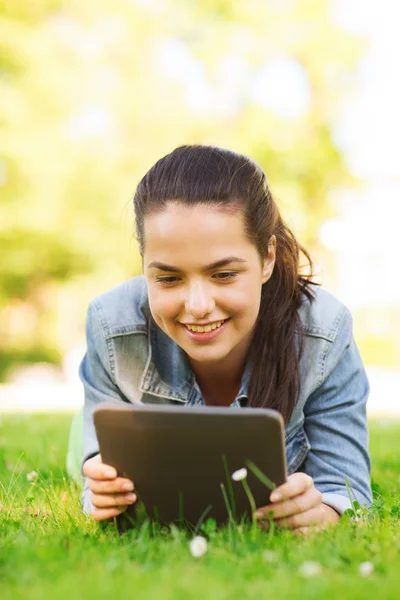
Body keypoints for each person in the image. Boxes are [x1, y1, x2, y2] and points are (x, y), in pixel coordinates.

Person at [74, 145, 371, 534]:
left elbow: (346, 490)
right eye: (167, 278)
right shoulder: (112, 324)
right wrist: (98, 492)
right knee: (75, 453)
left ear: (266, 258)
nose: (198, 306)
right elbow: (96, 472)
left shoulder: (324, 331)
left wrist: (321, 513)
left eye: (224, 274)